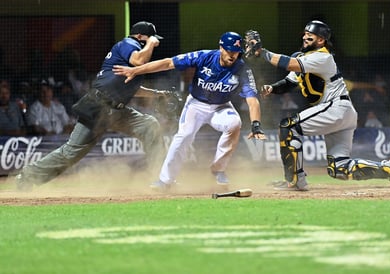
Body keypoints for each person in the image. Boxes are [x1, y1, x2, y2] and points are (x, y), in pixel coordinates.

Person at [244, 20, 390, 191]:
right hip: (340, 113)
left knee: (288, 126)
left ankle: (293, 180)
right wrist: (272, 88)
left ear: (321, 40)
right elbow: (289, 82)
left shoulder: (323, 57)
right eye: (305, 33)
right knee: (339, 168)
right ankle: (389, 169)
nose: (305, 36)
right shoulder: (304, 58)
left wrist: (260, 51)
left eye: (310, 34)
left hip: (336, 108)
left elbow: (290, 63)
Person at [14, 21, 165, 191]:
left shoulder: (132, 56)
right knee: (71, 153)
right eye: (151, 38)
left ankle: (161, 179)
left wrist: (159, 94)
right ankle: (28, 176)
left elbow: (133, 88)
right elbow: (138, 60)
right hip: (99, 106)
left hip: (116, 110)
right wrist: (150, 42)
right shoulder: (128, 44)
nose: (154, 42)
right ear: (140, 37)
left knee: (149, 125)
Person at [113, 31, 266, 191]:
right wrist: (135, 71)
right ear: (221, 47)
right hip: (196, 105)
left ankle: (218, 169)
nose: (232, 55)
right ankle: (165, 181)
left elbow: (252, 100)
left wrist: (256, 124)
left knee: (234, 123)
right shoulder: (204, 56)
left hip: (221, 106)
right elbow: (168, 63)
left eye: (236, 51)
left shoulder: (242, 69)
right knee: (183, 136)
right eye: (229, 50)